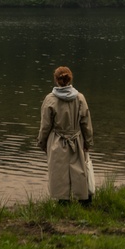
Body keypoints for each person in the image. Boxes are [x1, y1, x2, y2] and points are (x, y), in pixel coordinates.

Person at [37, 67, 94, 205]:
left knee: (59, 171)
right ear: (70, 79)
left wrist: (41, 142)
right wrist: (88, 142)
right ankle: (84, 199)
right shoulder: (80, 98)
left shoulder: (50, 99)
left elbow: (45, 125)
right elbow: (86, 123)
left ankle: (63, 201)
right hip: (76, 138)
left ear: (56, 79)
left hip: (57, 139)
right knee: (79, 169)